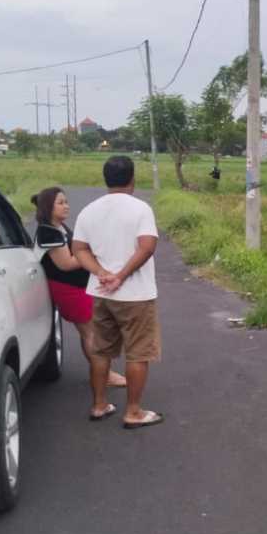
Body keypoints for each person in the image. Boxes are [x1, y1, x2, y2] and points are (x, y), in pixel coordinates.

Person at [72, 156, 163, 429]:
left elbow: (79, 249)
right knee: (138, 353)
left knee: (101, 351)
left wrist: (101, 273)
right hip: (136, 295)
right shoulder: (141, 209)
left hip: (101, 293)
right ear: (132, 179)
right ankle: (133, 412)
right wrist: (120, 276)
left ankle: (99, 405)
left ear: (106, 179)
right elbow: (147, 247)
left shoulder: (89, 211)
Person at [31, 187, 129, 420]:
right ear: (48, 207)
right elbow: (65, 264)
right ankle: (104, 375)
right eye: (60, 203)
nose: (66, 206)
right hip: (68, 290)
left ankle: (104, 373)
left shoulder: (58, 228)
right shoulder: (48, 232)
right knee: (90, 333)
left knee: (91, 331)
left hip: (76, 288)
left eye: (66, 202)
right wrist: (92, 253)